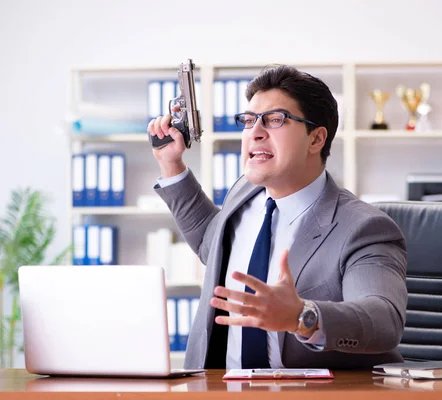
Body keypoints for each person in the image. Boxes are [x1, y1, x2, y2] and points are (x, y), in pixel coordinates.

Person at [147, 65, 408, 370]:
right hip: (219, 387)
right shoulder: (245, 192)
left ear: (316, 139)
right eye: (248, 120)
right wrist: (171, 164)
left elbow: (383, 320)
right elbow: (211, 244)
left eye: (274, 120)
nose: (255, 133)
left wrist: (302, 316)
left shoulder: (364, 228)